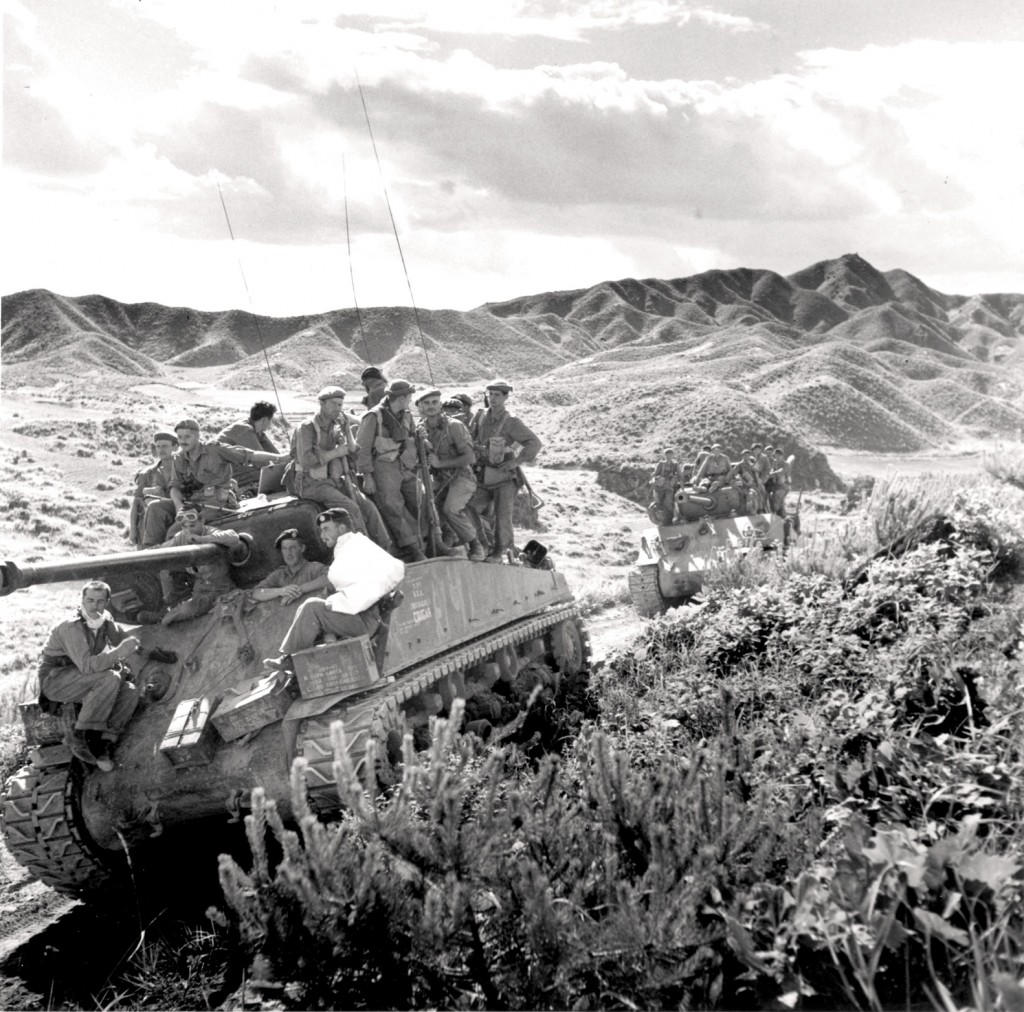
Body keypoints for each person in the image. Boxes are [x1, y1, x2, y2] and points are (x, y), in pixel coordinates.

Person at [264, 508, 404, 672]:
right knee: (314, 608)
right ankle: (295, 660)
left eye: (326, 529)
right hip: (362, 618)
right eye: (321, 530)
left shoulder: (352, 548)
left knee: (312, 607)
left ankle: (290, 660)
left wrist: (334, 602)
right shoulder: (355, 545)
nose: (322, 535)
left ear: (342, 529)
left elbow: (360, 593)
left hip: (363, 620)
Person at [36, 581, 142, 771]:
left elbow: (123, 639)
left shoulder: (104, 619)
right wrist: (119, 653)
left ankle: (106, 741)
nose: (95, 606)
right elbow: (86, 666)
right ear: (82, 600)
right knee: (110, 678)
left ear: (107, 602)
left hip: (81, 679)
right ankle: (80, 735)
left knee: (130, 691)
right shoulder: (71, 627)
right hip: (56, 681)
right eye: (90, 600)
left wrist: (150, 652)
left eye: (100, 601)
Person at [287, 387, 393, 551]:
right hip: (310, 483)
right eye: (334, 404)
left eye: (340, 404)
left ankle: (386, 548)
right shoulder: (307, 428)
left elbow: (352, 452)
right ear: (322, 404)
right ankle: (365, 553)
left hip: (332, 480)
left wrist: (346, 431)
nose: (338, 408)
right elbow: (306, 460)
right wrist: (335, 452)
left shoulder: (334, 426)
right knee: (351, 509)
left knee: (368, 507)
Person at [468, 379, 542, 564]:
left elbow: (534, 442)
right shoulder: (480, 416)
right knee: (469, 508)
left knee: (503, 516)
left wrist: (516, 462)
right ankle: (483, 544)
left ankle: (501, 552)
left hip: (505, 477)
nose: (493, 399)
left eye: (497, 395)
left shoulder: (511, 422)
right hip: (483, 474)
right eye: (490, 395)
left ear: (506, 397)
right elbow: (469, 437)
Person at [167, 418, 287, 527]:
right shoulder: (179, 458)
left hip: (219, 503)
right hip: (193, 503)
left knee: (186, 528)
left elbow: (250, 455)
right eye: (180, 437)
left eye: (187, 437)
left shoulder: (215, 450)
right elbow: (174, 487)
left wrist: (279, 458)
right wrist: (179, 507)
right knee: (163, 517)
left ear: (197, 436)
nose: (183, 441)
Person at [356, 379, 427, 563]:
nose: (411, 400)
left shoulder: (406, 416)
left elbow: (411, 437)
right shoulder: (374, 417)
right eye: (409, 396)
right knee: (392, 505)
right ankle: (413, 548)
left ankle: (422, 539)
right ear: (401, 398)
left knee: (419, 497)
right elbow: (362, 449)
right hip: (382, 466)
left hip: (404, 464)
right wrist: (367, 476)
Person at [416, 388, 487, 560]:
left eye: (434, 402)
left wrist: (440, 463)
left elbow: (469, 457)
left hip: (461, 477)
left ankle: (475, 544)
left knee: (450, 509)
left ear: (440, 405)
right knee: (423, 505)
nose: (431, 407)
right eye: (426, 403)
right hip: (438, 480)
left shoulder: (454, 426)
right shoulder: (420, 429)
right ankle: (444, 543)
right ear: (419, 408)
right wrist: (421, 442)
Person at [216, 401, 282, 497]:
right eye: (270, 420)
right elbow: (261, 463)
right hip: (219, 470)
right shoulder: (244, 429)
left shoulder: (257, 431)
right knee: (264, 475)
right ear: (264, 420)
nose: (271, 424)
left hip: (231, 468)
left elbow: (277, 456)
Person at [251, 528, 330, 604]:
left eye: (292, 548)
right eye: (284, 548)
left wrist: (300, 590)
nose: (288, 553)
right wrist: (281, 591)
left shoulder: (314, 568)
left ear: (302, 548)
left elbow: (331, 579)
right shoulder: (279, 574)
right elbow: (256, 593)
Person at [130, 431, 178, 548]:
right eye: (158, 446)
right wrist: (133, 529)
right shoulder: (147, 474)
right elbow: (136, 503)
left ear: (175, 447)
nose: (161, 450)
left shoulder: (183, 470)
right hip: (146, 527)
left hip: (173, 522)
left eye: (165, 446)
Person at [651, 449, 681, 522]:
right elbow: (655, 474)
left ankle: (669, 519)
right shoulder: (660, 464)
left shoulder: (675, 465)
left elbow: (680, 475)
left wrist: (676, 478)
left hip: (670, 486)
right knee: (659, 502)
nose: (669, 456)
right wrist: (655, 479)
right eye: (667, 455)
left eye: (671, 454)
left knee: (668, 502)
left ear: (673, 455)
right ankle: (661, 519)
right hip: (659, 486)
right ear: (664, 455)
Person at [768, 448, 792, 517]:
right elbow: (771, 471)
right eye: (775, 456)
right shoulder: (776, 464)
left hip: (784, 486)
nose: (777, 457)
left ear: (782, 456)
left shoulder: (786, 464)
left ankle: (775, 514)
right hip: (776, 486)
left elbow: (780, 472)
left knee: (776, 497)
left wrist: (769, 475)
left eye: (778, 455)